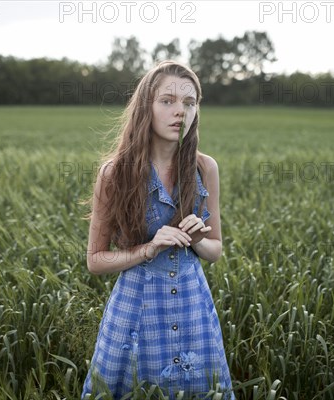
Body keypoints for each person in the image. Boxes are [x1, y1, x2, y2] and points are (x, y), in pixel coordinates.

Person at [82, 60, 234, 399]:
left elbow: (216, 250)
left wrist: (197, 241)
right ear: (146, 107)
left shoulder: (205, 167)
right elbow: (95, 261)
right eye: (167, 101)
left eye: (189, 102)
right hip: (137, 311)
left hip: (193, 308)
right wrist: (147, 249)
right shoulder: (114, 174)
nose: (180, 111)